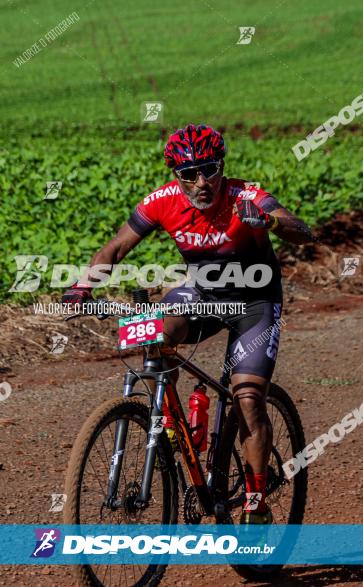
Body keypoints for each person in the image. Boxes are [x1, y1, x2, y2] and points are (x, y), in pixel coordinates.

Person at [62, 124, 314, 523]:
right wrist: (82, 285)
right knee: (152, 333)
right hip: (203, 294)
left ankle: (256, 498)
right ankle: (172, 428)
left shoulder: (246, 197)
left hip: (255, 302)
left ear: (222, 166)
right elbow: (115, 247)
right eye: (189, 174)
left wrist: (270, 223)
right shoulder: (161, 202)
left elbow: (304, 231)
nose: (201, 182)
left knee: (247, 398)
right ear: (175, 176)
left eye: (210, 169)